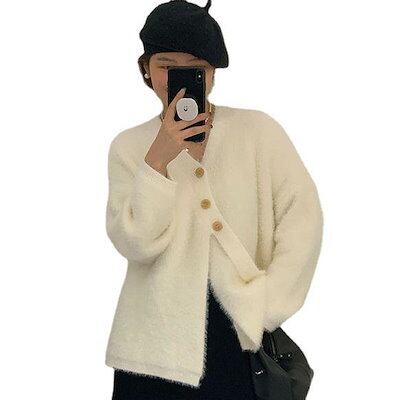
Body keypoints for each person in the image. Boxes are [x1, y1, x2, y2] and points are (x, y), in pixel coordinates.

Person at [105, 1, 324, 399]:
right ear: (145, 69)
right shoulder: (129, 147)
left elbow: (302, 220)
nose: (178, 77)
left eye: (195, 67)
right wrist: (158, 160)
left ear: (212, 73)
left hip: (240, 342)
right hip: (149, 352)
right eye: (166, 64)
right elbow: (135, 243)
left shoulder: (258, 132)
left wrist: (268, 306)